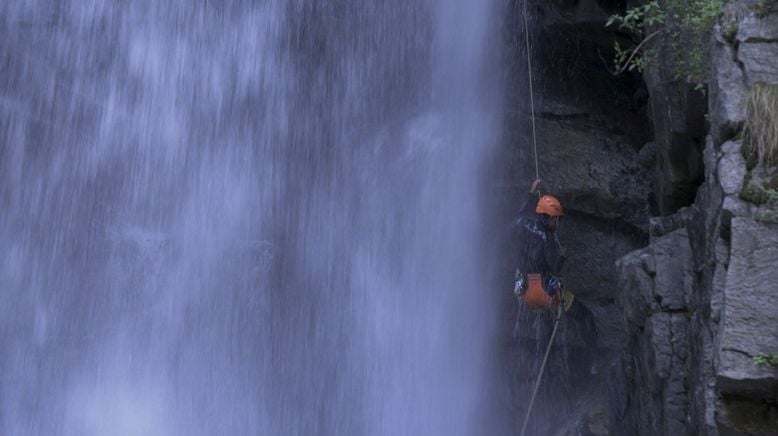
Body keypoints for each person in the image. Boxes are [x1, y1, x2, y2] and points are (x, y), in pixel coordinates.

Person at [513, 179, 600, 374]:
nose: (558, 224)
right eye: (557, 219)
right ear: (550, 218)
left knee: (545, 324)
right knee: (586, 317)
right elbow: (554, 268)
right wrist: (562, 257)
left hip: (523, 289)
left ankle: (540, 369)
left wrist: (531, 191)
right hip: (543, 293)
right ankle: (593, 362)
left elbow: (520, 215)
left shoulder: (524, 224)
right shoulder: (548, 239)